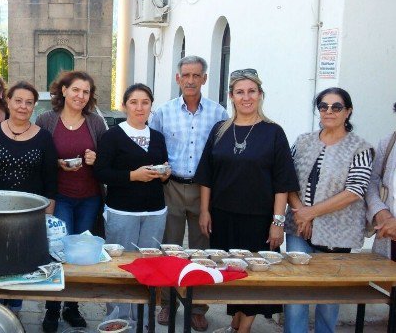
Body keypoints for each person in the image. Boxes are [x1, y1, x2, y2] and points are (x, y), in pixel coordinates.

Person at [196, 69, 298, 333]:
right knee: (232, 274)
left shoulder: (273, 132)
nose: (246, 97)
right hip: (223, 216)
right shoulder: (219, 130)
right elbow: (207, 174)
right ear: (231, 96)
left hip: (259, 219)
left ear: (260, 95)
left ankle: (244, 329)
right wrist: (204, 211)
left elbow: (282, 182)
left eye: (252, 91)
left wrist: (278, 222)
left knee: (255, 275)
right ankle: (234, 324)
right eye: (240, 92)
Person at [284, 87, 373, 333]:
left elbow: (355, 190)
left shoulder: (360, 148)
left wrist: (311, 213)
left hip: (337, 231)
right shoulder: (303, 141)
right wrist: (300, 210)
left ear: (348, 112)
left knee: (329, 295)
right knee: (296, 291)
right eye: (323, 106)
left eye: (336, 107)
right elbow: (287, 179)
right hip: (298, 228)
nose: (329, 111)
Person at [149, 55, 228, 330]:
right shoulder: (163, 112)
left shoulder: (219, 113)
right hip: (170, 186)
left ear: (204, 78)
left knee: (200, 248)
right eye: (186, 75)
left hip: (203, 190)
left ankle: (197, 306)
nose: (191, 80)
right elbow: (154, 147)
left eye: (196, 75)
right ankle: (167, 303)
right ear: (177, 78)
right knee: (169, 247)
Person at [0, 81, 58, 315]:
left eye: (28, 103)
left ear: (34, 107)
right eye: (18, 101)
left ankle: (15, 311)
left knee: (21, 262)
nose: (23, 106)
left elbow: (51, 181)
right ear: (7, 101)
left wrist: (48, 215)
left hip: (27, 215)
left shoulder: (45, 138)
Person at [36, 71, 107, 333]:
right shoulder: (47, 120)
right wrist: (56, 163)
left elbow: (106, 160)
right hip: (59, 196)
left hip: (89, 197)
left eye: (85, 92)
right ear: (63, 90)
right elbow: (39, 155)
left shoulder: (95, 122)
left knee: (81, 254)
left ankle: (72, 307)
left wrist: (95, 159)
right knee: (59, 251)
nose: (80, 96)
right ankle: (52, 309)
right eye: (75, 90)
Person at [94, 83, 170, 323]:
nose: (139, 107)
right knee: (121, 266)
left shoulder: (157, 136)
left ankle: (144, 319)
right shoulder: (112, 136)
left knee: (149, 267)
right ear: (125, 105)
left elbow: (163, 166)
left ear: (151, 106)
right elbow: (101, 172)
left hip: (155, 211)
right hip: (122, 210)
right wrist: (131, 176)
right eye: (134, 102)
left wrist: (165, 173)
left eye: (145, 102)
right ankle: (117, 319)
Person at [367, 102, 396, 257]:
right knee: (387, 278)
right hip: (388, 234)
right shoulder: (389, 143)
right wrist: (380, 211)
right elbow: (372, 180)